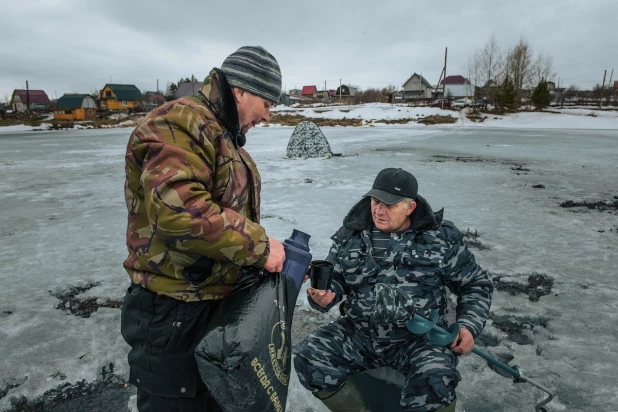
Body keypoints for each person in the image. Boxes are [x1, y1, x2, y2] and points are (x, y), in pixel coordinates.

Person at [120, 46, 285, 411]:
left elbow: (222, 213)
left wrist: (263, 263)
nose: (268, 116)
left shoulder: (222, 135)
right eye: (268, 104)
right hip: (173, 311)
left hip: (210, 303)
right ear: (242, 90)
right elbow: (177, 210)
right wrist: (259, 247)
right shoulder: (180, 122)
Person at [294, 168, 494, 412]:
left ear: (410, 207)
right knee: (309, 355)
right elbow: (336, 279)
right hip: (361, 334)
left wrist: (468, 326)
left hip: (418, 339)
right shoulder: (352, 234)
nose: (378, 210)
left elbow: (475, 284)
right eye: (375, 201)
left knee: (436, 378)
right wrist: (323, 296)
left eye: (389, 204)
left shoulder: (440, 238)